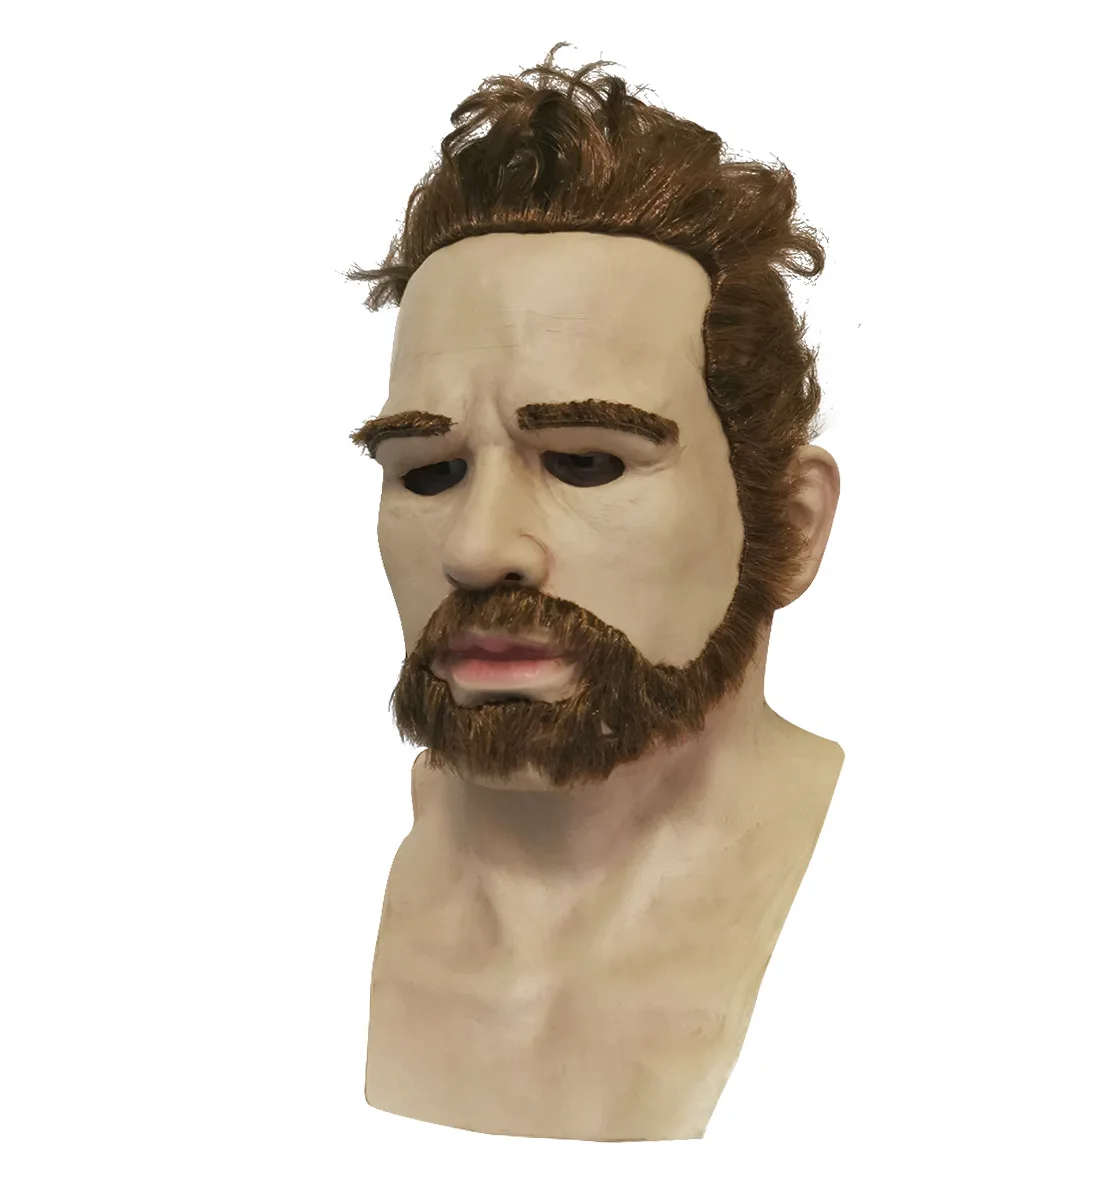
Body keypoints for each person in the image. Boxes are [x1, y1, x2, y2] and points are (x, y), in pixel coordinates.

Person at [344, 42, 844, 1141]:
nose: (479, 548)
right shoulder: (263, 909)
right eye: (427, 471)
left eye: (584, 461)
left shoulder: (944, 918)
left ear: (792, 523)